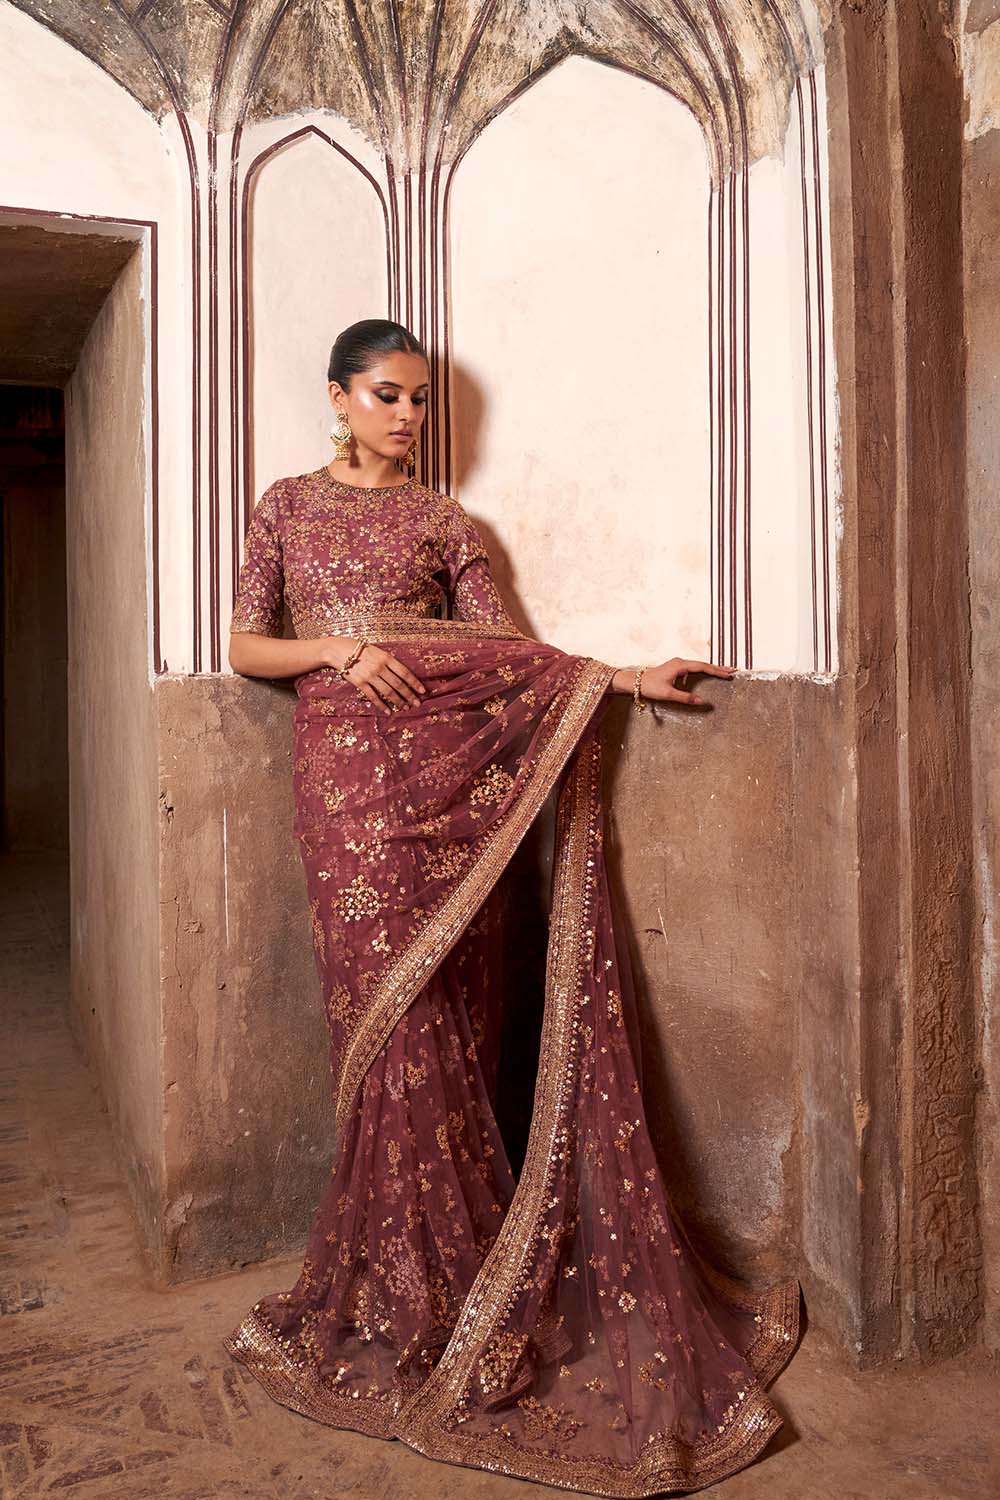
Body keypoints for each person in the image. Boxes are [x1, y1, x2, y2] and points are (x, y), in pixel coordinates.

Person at [223, 318, 801, 1495]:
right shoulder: (284, 505)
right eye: (385, 395)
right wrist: (338, 650)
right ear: (337, 397)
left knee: (444, 1024)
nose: (405, 416)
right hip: (343, 792)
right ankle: (393, 1284)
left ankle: (462, 1282)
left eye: (419, 400)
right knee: (378, 1028)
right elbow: (244, 645)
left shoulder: (445, 524)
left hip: (445, 805)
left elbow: (509, 662)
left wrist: (623, 677)